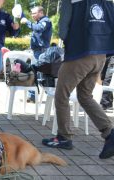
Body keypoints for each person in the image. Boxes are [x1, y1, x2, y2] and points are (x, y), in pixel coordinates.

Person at [42, 0, 114, 159]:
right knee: (85, 96)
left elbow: (62, 31)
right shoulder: (107, 2)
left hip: (80, 54)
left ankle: (64, 137)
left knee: (61, 94)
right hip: (100, 55)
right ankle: (109, 133)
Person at [20, 6, 52, 103]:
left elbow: (38, 29)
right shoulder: (38, 22)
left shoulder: (46, 21)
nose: (32, 15)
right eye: (32, 13)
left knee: (39, 73)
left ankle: (50, 95)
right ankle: (34, 95)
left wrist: (27, 22)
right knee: (35, 72)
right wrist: (21, 14)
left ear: (41, 13)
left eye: (34, 13)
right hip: (38, 51)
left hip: (41, 51)